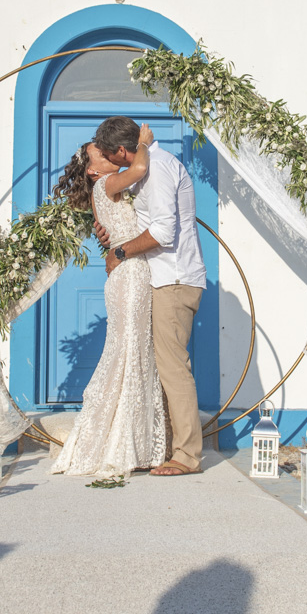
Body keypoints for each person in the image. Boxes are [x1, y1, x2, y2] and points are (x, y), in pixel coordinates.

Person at [90, 116, 209, 477]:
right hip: (162, 278)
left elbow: (163, 230)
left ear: (122, 151)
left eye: (112, 157)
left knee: (173, 369)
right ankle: (164, 444)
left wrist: (121, 252)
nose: (110, 163)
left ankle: (187, 455)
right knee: (160, 366)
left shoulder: (156, 170)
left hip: (173, 278)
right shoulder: (148, 167)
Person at [50, 131, 167, 477]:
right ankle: (122, 443)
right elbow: (141, 167)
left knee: (132, 351)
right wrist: (143, 141)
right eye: (96, 152)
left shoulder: (106, 193)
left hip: (126, 275)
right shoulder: (108, 185)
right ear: (91, 170)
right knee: (130, 351)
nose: (102, 152)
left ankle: (134, 441)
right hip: (130, 275)